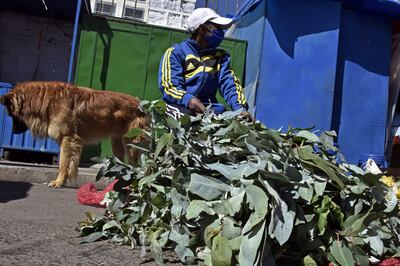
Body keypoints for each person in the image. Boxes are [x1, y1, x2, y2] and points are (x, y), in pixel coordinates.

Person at [158, 8, 253, 121]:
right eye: (217, 28)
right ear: (202, 28)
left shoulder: (220, 57)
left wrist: (240, 108)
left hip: (210, 112)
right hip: (180, 109)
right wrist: (189, 100)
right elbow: (169, 86)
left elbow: (230, 84)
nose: (221, 33)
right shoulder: (175, 53)